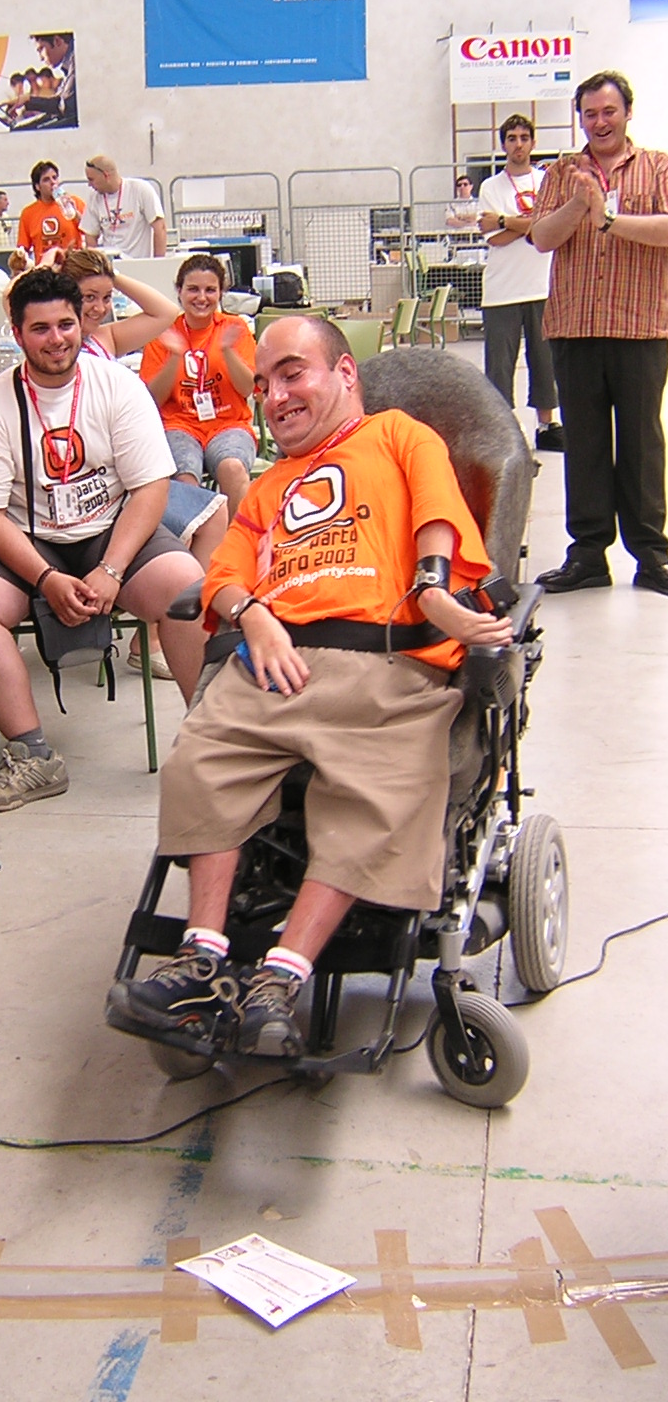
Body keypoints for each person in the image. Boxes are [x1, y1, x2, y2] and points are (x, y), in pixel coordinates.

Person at [107, 315, 512, 1057]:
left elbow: (436, 514)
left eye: (293, 373)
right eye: (264, 384)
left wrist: (434, 591)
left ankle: (280, 977)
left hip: (388, 662)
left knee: (375, 788)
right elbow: (224, 574)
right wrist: (252, 614)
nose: (275, 396)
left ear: (345, 374)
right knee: (200, 761)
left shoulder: (398, 435)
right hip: (277, 661)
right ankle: (202, 962)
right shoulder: (267, 485)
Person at [0, 268, 205, 811]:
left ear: (83, 323)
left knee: (188, 587)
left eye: (66, 325)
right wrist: (45, 578)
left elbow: (150, 487)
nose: (56, 339)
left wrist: (112, 570)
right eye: (40, 328)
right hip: (28, 538)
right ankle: (34, 756)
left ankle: (211, 743)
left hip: (111, 530)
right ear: (17, 333)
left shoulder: (117, 386)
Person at [530, 70, 668, 596]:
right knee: (584, 443)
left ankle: (652, 556)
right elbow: (542, 237)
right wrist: (579, 204)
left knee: (641, 443)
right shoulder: (562, 173)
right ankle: (588, 555)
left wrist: (608, 219)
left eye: (609, 111)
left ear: (628, 112)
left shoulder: (658, 166)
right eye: (590, 114)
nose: (600, 122)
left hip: (641, 326)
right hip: (575, 327)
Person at [62, 246, 229, 679]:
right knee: (203, 511)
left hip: (126, 476)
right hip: (100, 490)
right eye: (88, 298)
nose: (99, 308)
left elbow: (165, 312)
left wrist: (109, 274)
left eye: (105, 298)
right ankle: (156, 635)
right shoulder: (59, 346)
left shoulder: (103, 338)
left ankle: (168, 630)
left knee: (214, 509)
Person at [139, 254, 257, 517]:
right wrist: (174, 357)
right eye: (193, 289)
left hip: (229, 423)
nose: (201, 297)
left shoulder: (234, 327)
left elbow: (248, 388)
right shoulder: (164, 332)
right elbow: (153, 400)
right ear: (179, 291)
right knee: (184, 477)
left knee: (233, 467)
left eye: (210, 290)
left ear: (220, 293)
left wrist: (227, 351)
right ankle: (197, 538)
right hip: (179, 424)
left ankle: (238, 536)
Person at [477, 116, 562, 452]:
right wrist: (534, 225)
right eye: (511, 138)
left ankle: (547, 425)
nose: (518, 144)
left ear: (533, 143)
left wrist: (505, 220)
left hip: (543, 287)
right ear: (503, 145)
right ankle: (503, 432)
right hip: (502, 291)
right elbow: (494, 238)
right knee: (500, 365)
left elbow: (554, 226)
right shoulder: (491, 187)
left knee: (545, 361)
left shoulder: (547, 181)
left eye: (524, 137)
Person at [82, 155, 166, 258]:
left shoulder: (140, 189)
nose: (89, 184)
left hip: (138, 261)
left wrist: (158, 261)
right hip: (111, 262)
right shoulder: (94, 197)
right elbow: (90, 235)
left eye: (91, 180)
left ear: (106, 175)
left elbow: (160, 228)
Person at [17, 161, 83, 260]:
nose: (52, 182)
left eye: (54, 178)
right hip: (45, 266)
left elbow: (90, 232)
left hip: (72, 264)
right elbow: (23, 248)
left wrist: (75, 213)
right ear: (37, 186)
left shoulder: (75, 202)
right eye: (46, 180)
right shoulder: (28, 213)